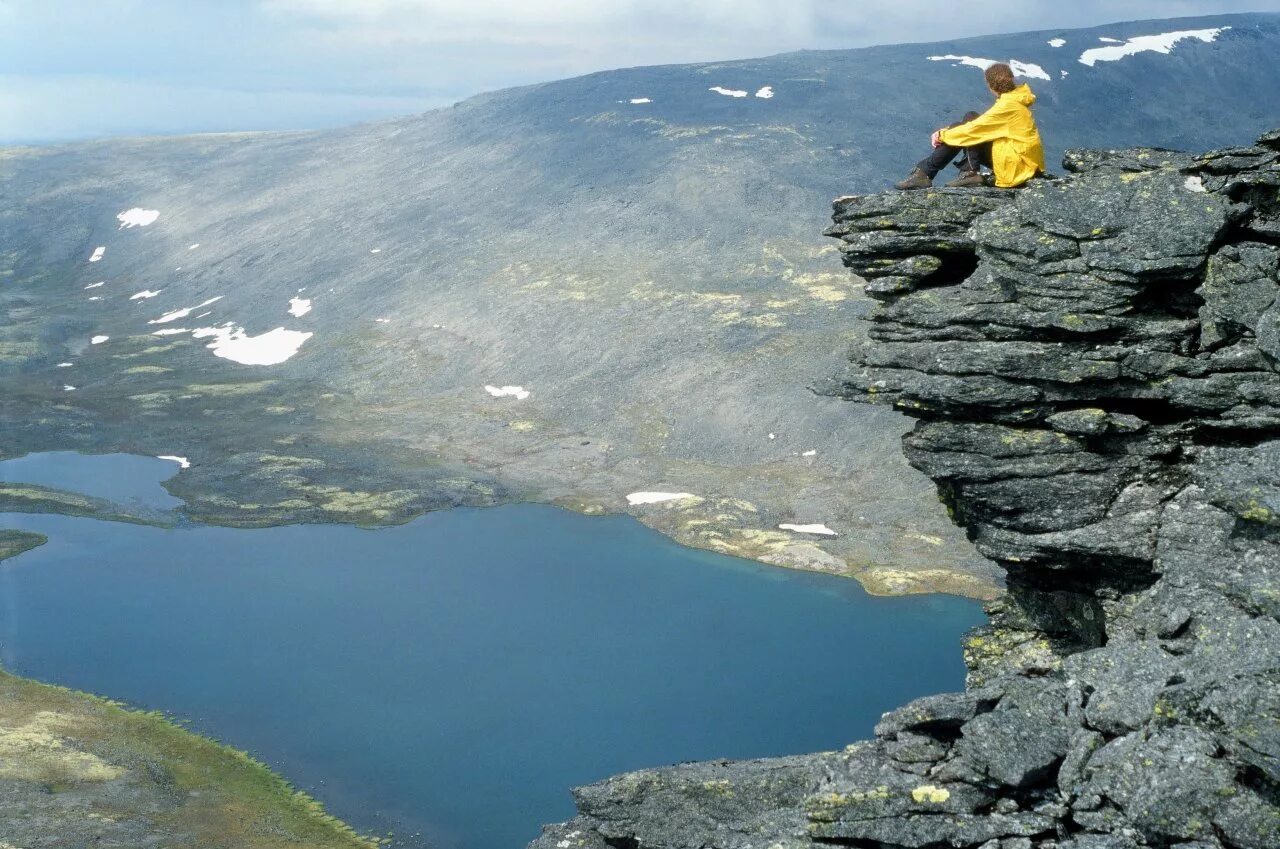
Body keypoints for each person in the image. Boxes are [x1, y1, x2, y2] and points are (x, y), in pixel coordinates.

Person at [897, 62, 1046, 190]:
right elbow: (977, 127)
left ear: (990, 85)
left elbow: (973, 130)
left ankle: (925, 173)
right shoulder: (1016, 101)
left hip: (1018, 169)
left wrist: (942, 135)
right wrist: (948, 131)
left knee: (967, 127)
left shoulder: (1008, 106)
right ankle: (962, 172)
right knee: (969, 118)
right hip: (1023, 163)